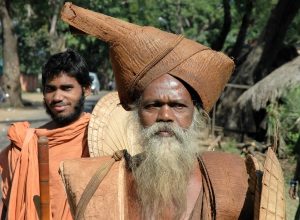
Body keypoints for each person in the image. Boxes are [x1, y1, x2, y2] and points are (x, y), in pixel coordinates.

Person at [59, 3, 286, 219]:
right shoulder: (102, 182)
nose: (165, 116)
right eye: (153, 105)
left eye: (178, 106)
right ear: (137, 114)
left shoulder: (236, 181)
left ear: (196, 115)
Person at [0, 49, 92, 219]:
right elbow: (8, 204)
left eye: (66, 88)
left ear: (86, 90)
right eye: (50, 89)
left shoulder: (100, 136)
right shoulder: (25, 143)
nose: (57, 97)